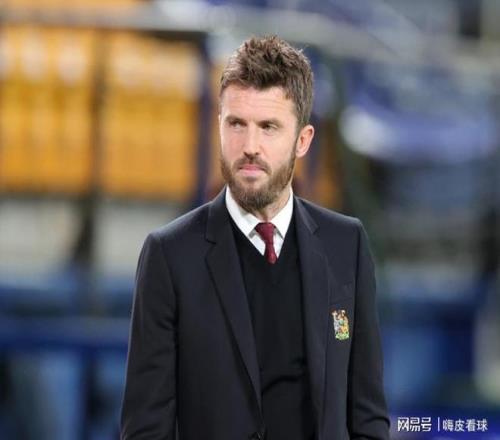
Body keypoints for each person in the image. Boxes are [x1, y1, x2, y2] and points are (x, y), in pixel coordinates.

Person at [120, 35, 390, 440]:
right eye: (236, 124)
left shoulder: (345, 245)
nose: (249, 147)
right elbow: (145, 428)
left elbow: (367, 417)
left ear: (303, 140)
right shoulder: (170, 255)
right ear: (218, 126)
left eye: (268, 127)